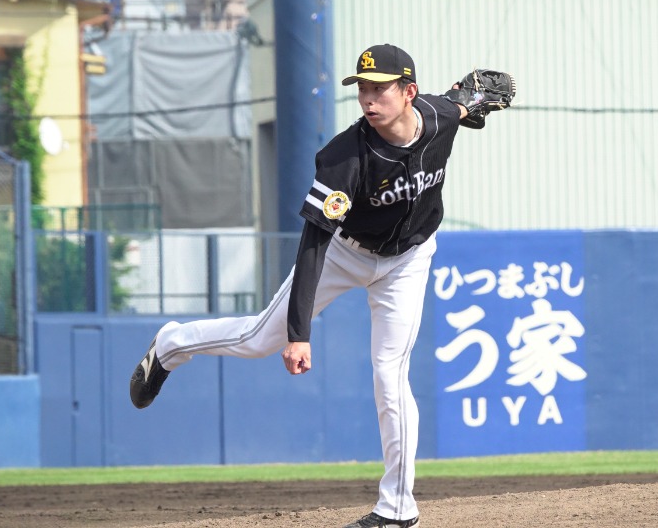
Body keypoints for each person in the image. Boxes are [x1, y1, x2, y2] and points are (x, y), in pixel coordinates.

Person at [130, 44, 513, 528]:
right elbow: (313, 244)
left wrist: (468, 99)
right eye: (363, 88)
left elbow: (458, 103)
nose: (369, 98)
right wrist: (298, 335)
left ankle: (397, 510)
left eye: (381, 89)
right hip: (343, 253)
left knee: (390, 377)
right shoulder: (343, 158)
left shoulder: (439, 117)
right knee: (257, 339)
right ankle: (171, 343)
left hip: (409, 259)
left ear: (409, 92)